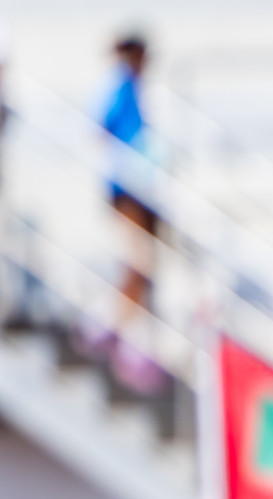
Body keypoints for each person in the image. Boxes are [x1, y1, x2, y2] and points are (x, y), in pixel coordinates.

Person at [83, 32, 166, 394]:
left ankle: (117, 333)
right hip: (130, 188)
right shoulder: (120, 86)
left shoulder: (131, 87)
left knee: (141, 267)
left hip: (139, 186)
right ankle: (107, 330)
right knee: (138, 263)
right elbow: (106, 129)